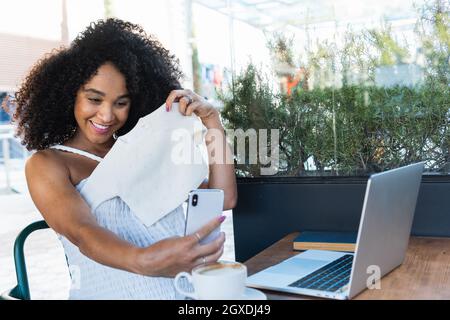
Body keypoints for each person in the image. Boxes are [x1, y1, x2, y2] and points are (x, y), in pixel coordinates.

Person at [13, 18, 237, 299]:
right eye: (94, 99)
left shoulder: (146, 150)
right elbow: (83, 232)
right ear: (70, 95)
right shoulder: (49, 164)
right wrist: (145, 260)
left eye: (121, 102)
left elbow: (222, 198)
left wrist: (212, 122)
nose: (107, 116)